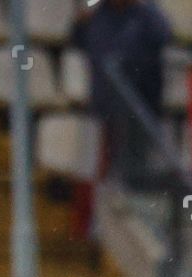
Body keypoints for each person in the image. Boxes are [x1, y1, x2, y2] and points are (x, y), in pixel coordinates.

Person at [70, 0, 173, 189]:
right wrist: (80, 21)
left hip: (140, 105)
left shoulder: (146, 13)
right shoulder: (96, 15)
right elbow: (77, 40)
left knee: (135, 168)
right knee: (105, 169)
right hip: (105, 105)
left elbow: (165, 36)